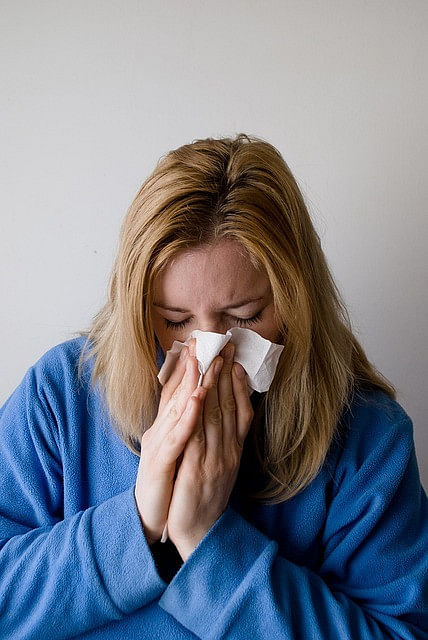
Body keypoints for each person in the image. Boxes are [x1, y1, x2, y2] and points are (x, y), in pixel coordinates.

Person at [0, 133, 426, 639]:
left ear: (295, 303)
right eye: (175, 320)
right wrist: (137, 522)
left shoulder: (368, 439)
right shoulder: (61, 396)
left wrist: (207, 543)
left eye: (244, 317)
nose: (209, 353)